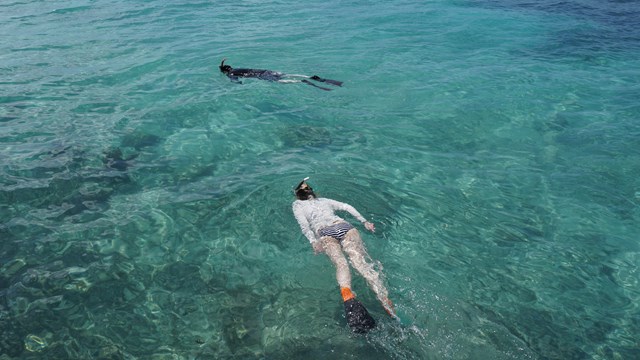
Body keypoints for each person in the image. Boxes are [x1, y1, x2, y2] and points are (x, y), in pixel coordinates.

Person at [291, 177, 396, 333]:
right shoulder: (324, 200)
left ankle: (347, 294)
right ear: (312, 192)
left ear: (298, 195)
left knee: (341, 264)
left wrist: (314, 242)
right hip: (345, 227)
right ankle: (384, 300)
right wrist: (364, 221)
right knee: (362, 265)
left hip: (324, 232)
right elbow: (347, 207)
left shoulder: (297, 204)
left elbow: (304, 226)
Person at [219, 59, 343, 91]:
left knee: (279, 82)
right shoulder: (238, 67)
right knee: (285, 74)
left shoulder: (230, 73)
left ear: (225, 71)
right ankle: (308, 77)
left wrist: (237, 83)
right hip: (266, 71)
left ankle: (301, 81)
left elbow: (236, 81)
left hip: (263, 76)